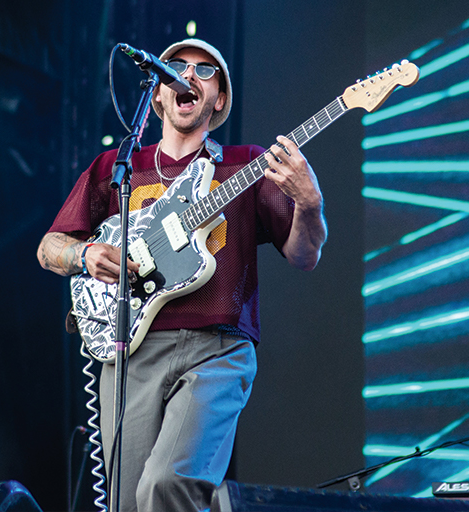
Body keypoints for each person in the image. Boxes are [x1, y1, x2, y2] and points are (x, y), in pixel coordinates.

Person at [37, 38, 327, 512]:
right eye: (176, 67)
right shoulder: (116, 169)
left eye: (205, 71)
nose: (188, 76)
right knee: (125, 503)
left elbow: (304, 254)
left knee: (167, 486)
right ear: (156, 95)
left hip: (215, 351)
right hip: (128, 351)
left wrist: (311, 204)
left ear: (220, 99)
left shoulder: (244, 165)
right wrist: (86, 254)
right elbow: (50, 247)